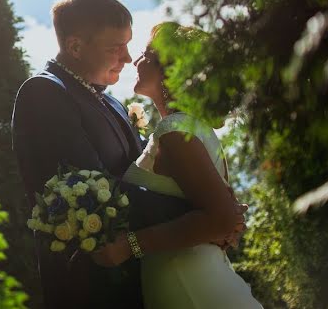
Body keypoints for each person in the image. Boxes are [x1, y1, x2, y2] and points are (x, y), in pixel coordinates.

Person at [12, 0, 245, 308]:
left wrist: (214, 210)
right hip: (90, 287)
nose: (127, 57)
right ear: (76, 47)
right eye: (115, 47)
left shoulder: (115, 105)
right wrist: (206, 215)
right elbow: (91, 189)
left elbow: (147, 180)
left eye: (129, 45)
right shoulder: (44, 92)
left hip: (144, 280)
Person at [95, 22, 263, 308]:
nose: (136, 60)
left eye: (147, 54)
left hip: (191, 284)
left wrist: (127, 246)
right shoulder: (190, 128)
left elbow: (222, 218)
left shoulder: (176, 130)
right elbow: (225, 216)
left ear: (171, 69)